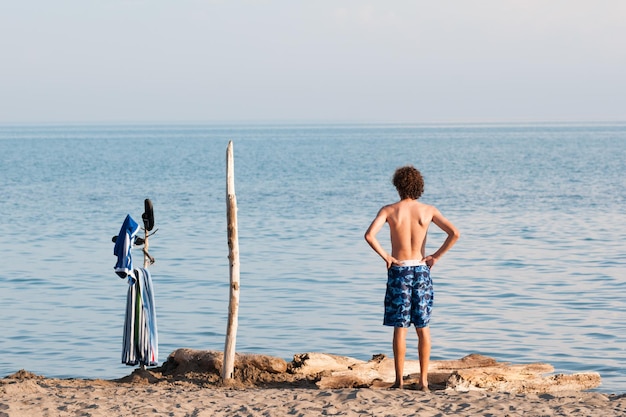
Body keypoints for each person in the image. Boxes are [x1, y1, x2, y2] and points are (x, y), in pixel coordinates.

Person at [364, 165, 459, 391]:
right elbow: (454, 233)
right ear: (419, 186)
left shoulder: (389, 210)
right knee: (423, 327)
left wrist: (386, 256)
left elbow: (369, 235)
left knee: (400, 328)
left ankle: (399, 381)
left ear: (397, 186)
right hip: (421, 270)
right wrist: (435, 256)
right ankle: (424, 382)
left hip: (400, 271)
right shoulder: (428, 210)